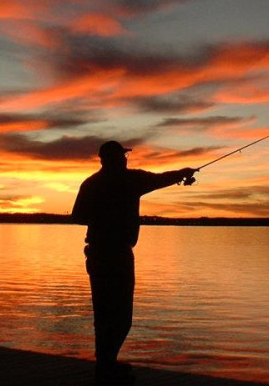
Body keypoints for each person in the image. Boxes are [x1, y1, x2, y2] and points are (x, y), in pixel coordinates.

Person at [72, 140, 196, 384]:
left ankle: (105, 366)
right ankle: (107, 366)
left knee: (104, 313)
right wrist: (183, 173)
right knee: (121, 315)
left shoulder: (91, 183)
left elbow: (77, 217)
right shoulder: (131, 180)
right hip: (117, 254)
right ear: (117, 158)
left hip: (97, 254)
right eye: (123, 155)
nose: (126, 159)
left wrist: (181, 174)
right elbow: (161, 179)